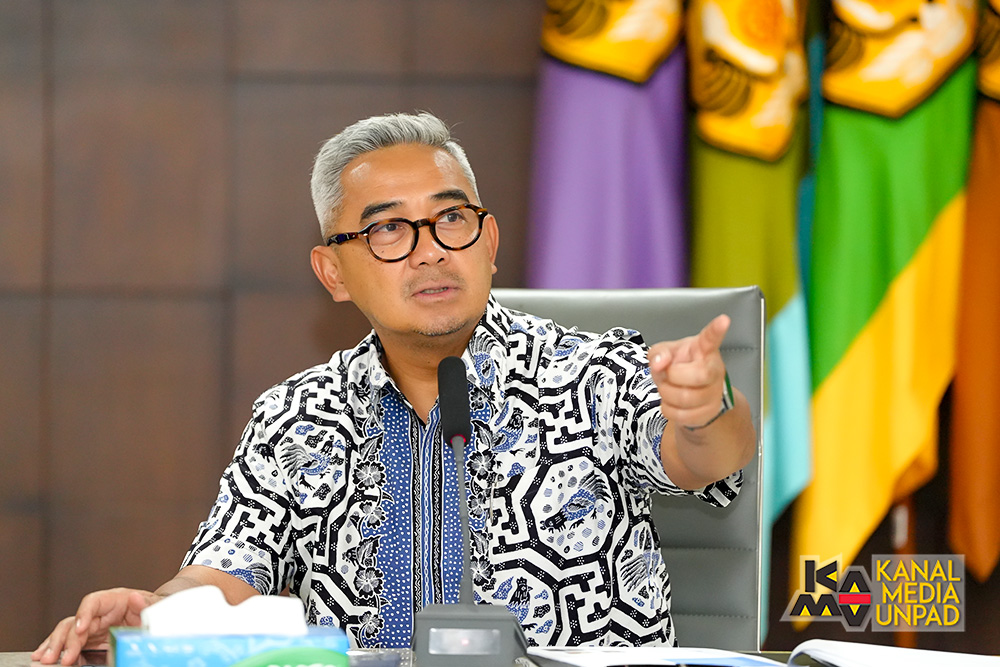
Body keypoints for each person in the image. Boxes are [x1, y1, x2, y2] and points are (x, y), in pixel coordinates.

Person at [35, 112, 756, 663]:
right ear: (333, 273)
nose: (430, 250)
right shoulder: (297, 415)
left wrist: (705, 408)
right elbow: (225, 573)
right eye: (388, 231)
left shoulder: (591, 370)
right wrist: (154, 612)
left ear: (489, 243)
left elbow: (708, 456)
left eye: (451, 218)